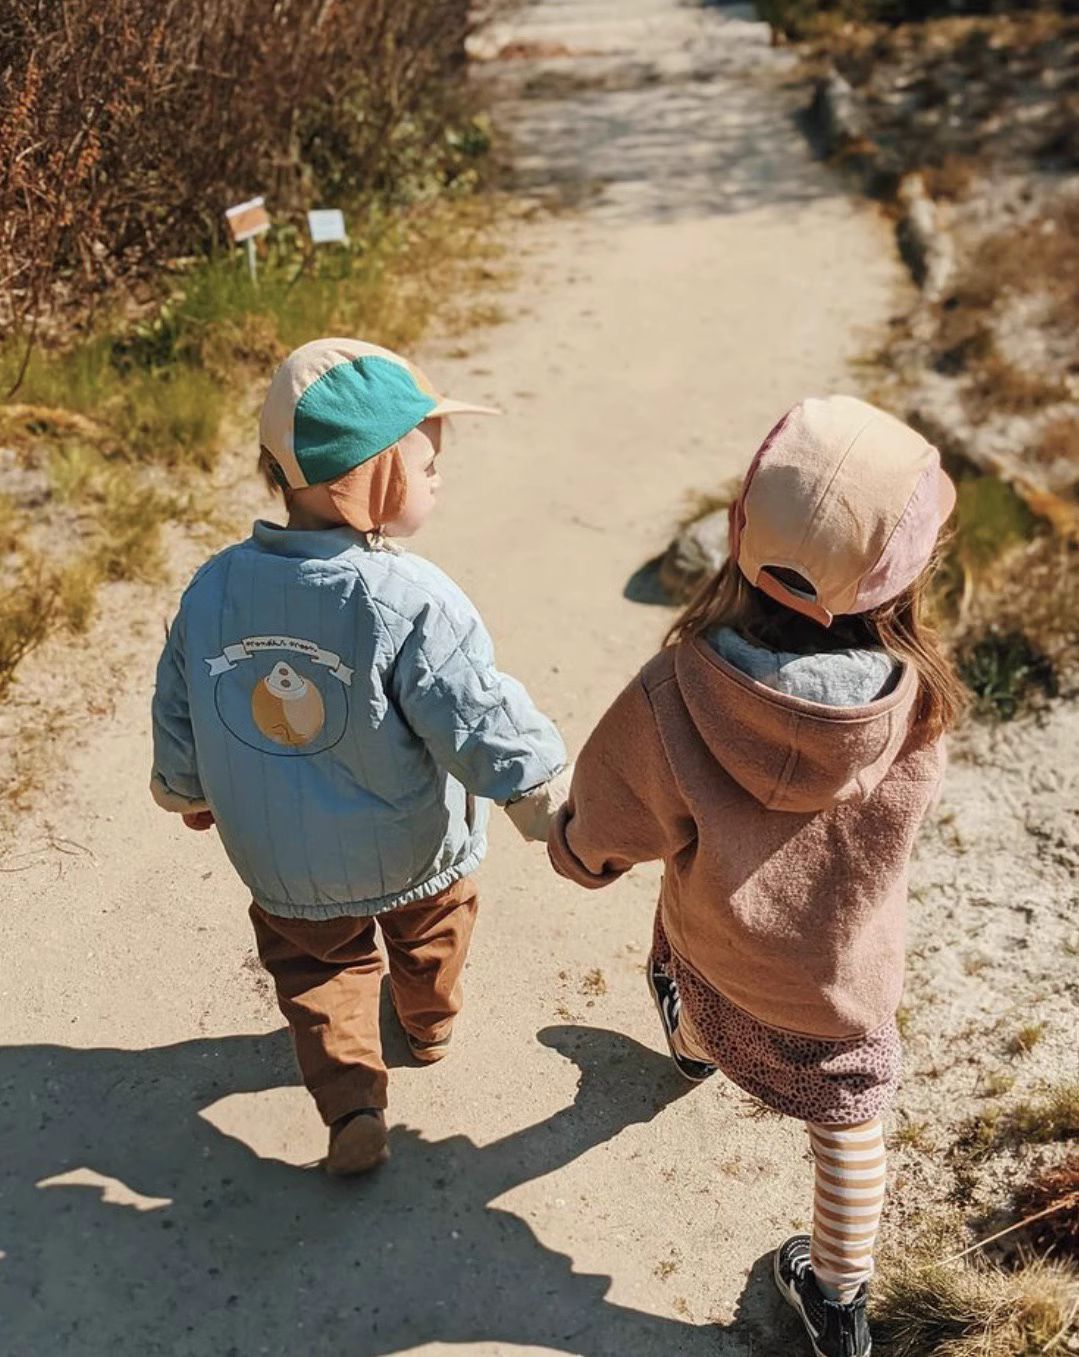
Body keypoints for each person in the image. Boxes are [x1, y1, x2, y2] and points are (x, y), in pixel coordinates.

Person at [548, 395, 965, 1357]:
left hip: (717, 944)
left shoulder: (674, 688)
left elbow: (612, 810)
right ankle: (836, 1298)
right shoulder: (915, 703)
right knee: (850, 1125)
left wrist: (577, 851)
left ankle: (694, 1044)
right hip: (840, 988)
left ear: (740, 534)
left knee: (697, 989)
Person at [151, 338, 567, 1176]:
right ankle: (428, 1021)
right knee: (433, 925)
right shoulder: (408, 597)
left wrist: (186, 786)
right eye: (426, 463)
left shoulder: (215, 586)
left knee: (317, 968)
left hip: (280, 858)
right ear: (368, 482)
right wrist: (542, 800)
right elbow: (474, 709)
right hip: (411, 844)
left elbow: (180, 696)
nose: (439, 477)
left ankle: (351, 1104)